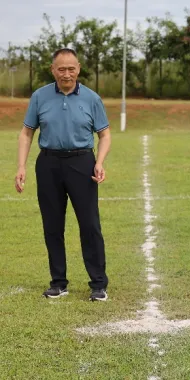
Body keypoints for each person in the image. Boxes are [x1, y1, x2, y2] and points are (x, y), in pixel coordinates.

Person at [15, 48, 112, 302]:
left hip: (82, 162)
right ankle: (58, 282)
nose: (66, 74)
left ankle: (98, 284)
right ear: (53, 70)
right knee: (52, 226)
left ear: (78, 68)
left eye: (71, 69)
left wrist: (99, 162)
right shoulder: (40, 97)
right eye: (61, 69)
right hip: (48, 164)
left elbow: (105, 134)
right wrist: (21, 166)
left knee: (89, 225)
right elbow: (27, 133)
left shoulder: (92, 98)